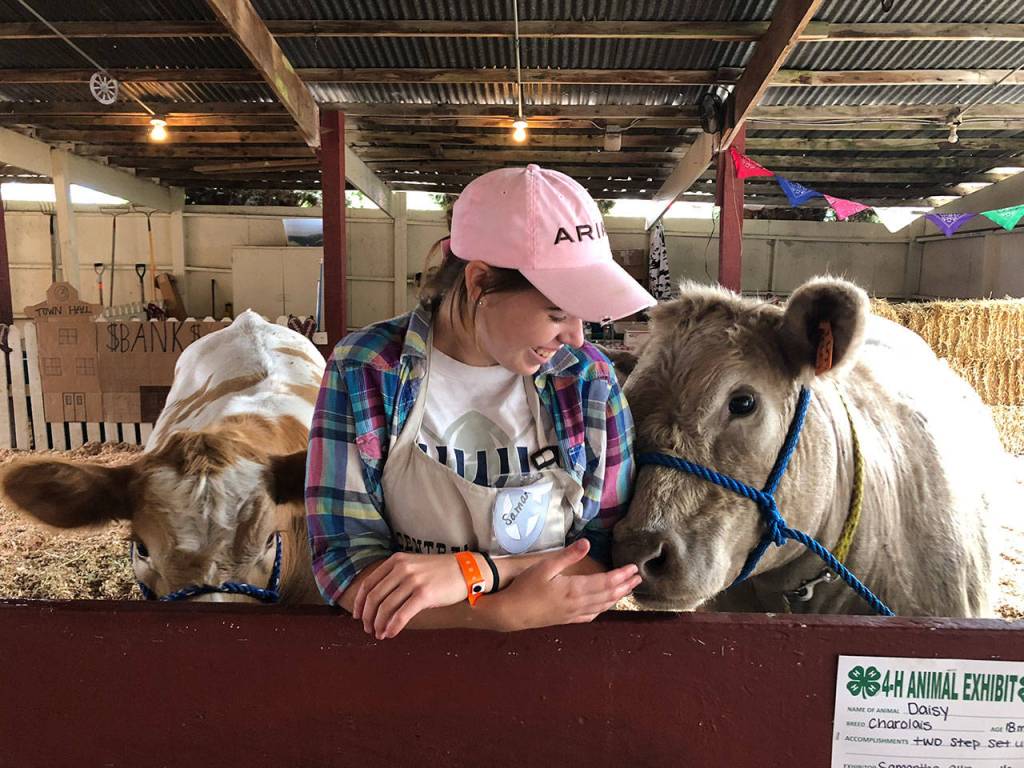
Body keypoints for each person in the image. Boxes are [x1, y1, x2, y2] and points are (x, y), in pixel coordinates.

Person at [305, 164, 656, 639]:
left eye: (583, 317)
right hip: (410, 663)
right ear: (479, 283)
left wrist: (475, 573)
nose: (575, 337)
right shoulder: (368, 369)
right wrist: (493, 616)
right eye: (557, 313)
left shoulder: (587, 382)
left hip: (556, 656)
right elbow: (345, 562)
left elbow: (607, 557)